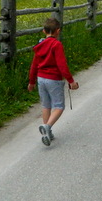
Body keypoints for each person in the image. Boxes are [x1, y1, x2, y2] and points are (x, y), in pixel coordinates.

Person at [28, 18, 79, 146]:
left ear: (44, 31)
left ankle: (48, 133)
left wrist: (31, 81)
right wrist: (71, 81)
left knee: (46, 105)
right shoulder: (57, 45)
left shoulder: (39, 46)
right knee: (59, 106)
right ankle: (47, 127)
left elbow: (34, 64)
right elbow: (62, 65)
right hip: (53, 79)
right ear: (58, 31)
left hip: (41, 78)